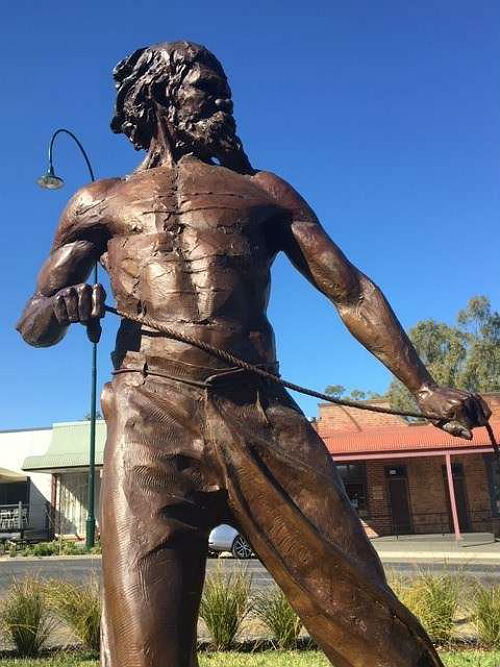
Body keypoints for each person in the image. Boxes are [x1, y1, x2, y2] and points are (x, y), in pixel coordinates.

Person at [17, 42, 490, 667]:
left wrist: (423, 387)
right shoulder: (96, 202)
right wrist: (64, 307)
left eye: (223, 88)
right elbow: (34, 322)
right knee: (143, 653)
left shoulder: (264, 192)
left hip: (263, 413)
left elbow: (348, 290)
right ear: (161, 96)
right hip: (148, 416)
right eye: (205, 87)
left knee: (375, 632)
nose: (223, 100)